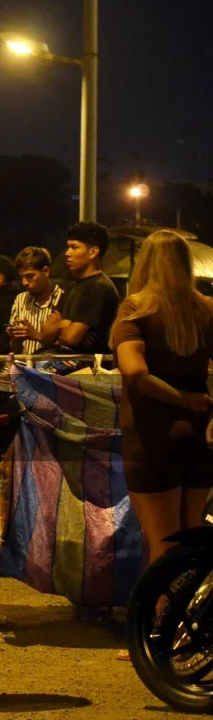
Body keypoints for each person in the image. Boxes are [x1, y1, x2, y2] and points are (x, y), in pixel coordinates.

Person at [111, 230, 213, 572]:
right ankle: (194, 621)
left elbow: (135, 372)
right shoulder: (208, 308)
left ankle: (161, 623)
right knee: (194, 535)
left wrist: (181, 400)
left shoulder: (136, 308)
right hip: (201, 435)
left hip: (152, 436)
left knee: (164, 543)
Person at [40, 221, 121, 358]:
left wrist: (58, 328)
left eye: (74, 247)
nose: (67, 253)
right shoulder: (75, 286)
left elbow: (71, 338)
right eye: (68, 247)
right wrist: (60, 328)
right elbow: (47, 336)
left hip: (91, 373)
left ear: (93, 252)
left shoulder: (99, 287)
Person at [8, 247, 65, 357]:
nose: (24, 282)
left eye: (29, 276)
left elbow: (68, 346)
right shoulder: (21, 299)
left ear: (46, 271)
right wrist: (15, 339)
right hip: (26, 368)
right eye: (22, 277)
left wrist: (37, 335)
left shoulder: (64, 298)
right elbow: (15, 349)